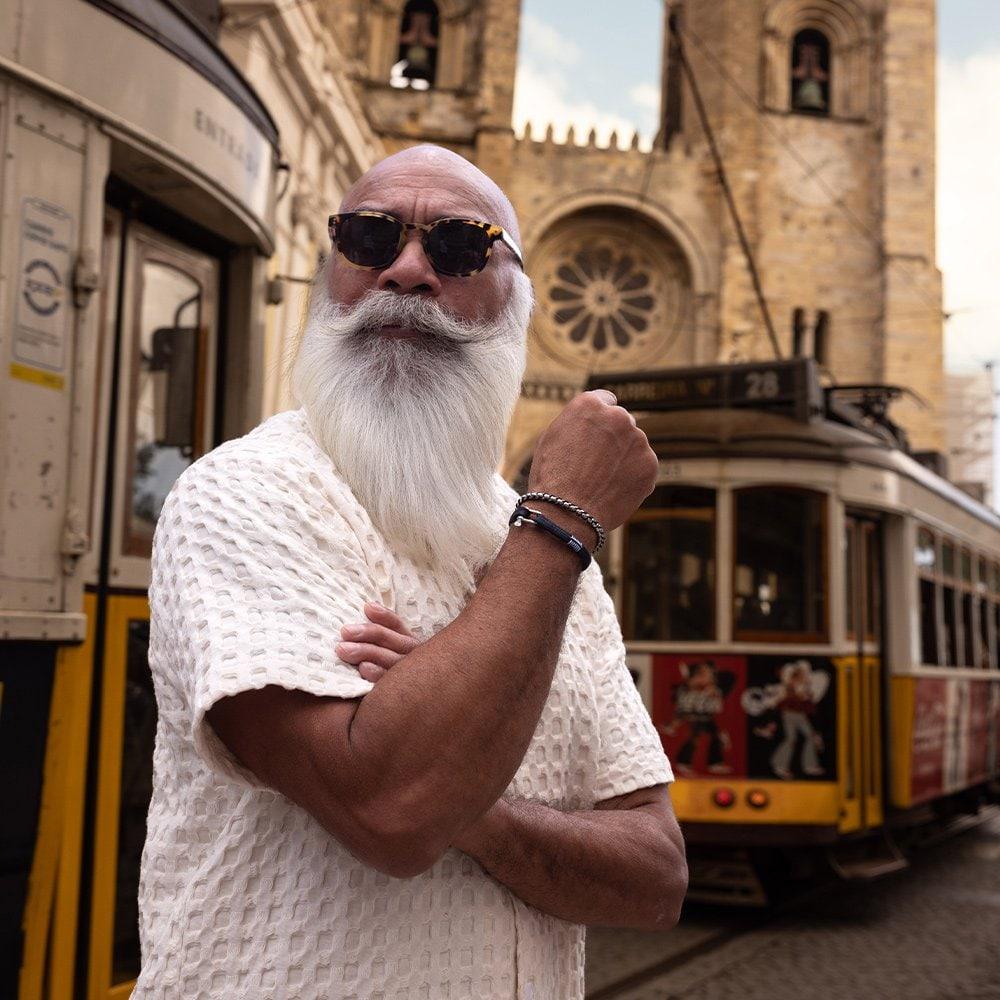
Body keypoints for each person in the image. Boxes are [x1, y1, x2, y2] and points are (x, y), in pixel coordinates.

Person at [136, 145, 686, 1000]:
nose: (405, 270)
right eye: (370, 236)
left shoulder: (550, 564)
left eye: (459, 246)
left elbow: (656, 877)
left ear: (516, 301)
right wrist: (562, 520)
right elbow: (394, 812)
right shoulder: (245, 491)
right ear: (329, 272)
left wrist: (464, 784)